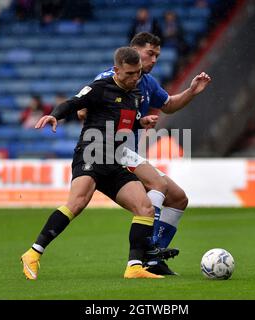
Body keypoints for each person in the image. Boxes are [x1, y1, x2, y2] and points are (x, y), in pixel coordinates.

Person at [20, 47, 178, 281]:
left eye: (138, 73)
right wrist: (56, 115)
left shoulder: (135, 95)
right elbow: (74, 103)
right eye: (130, 74)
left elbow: (125, 122)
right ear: (116, 70)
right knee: (78, 202)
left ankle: (134, 266)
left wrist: (140, 121)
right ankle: (33, 253)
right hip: (91, 155)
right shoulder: (100, 88)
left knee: (144, 208)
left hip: (115, 160)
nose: (135, 78)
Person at [79, 32, 211, 275]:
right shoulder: (109, 79)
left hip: (129, 153)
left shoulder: (147, 82)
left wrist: (192, 91)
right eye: (150, 54)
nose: (154, 60)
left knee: (178, 198)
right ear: (134, 51)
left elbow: (169, 105)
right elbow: (82, 111)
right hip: (111, 152)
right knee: (157, 183)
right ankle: (146, 250)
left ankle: (153, 260)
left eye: (157, 56)